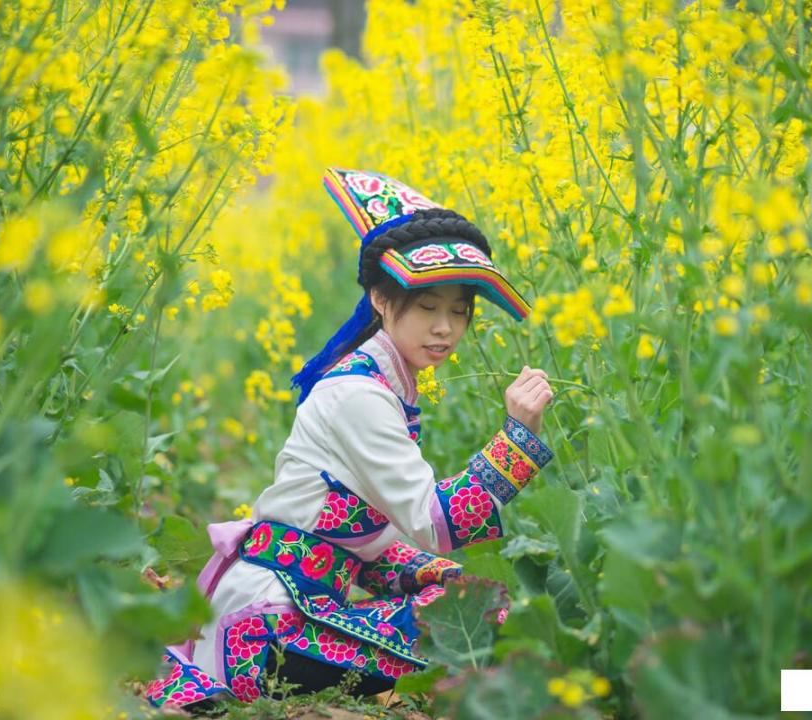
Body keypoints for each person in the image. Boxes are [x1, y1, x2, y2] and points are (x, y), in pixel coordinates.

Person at [144, 168, 555, 709]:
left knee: (472, 597)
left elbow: (367, 543)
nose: (445, 329)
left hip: (276, 615)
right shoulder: (359, 395)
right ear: (382, 301)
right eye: (428, 308)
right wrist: (519, 437)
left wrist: (448, 578)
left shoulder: (380, 384)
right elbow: (436, 523)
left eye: (459, 312)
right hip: (264, 631)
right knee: (483, 617)